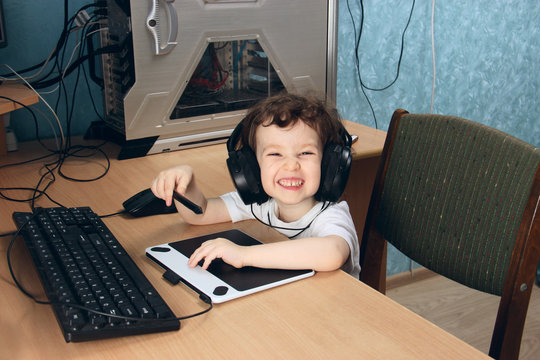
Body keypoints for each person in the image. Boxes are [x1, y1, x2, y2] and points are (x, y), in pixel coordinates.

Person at [151, 93, 360, 278]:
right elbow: (200, 213)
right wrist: (184, 186)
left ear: (330, 164)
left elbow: (331, 253)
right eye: (275, 154)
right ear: (251, 166)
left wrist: (244, 255)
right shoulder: (260, 203)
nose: (291, 165)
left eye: (306, 153)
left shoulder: (331, 215)